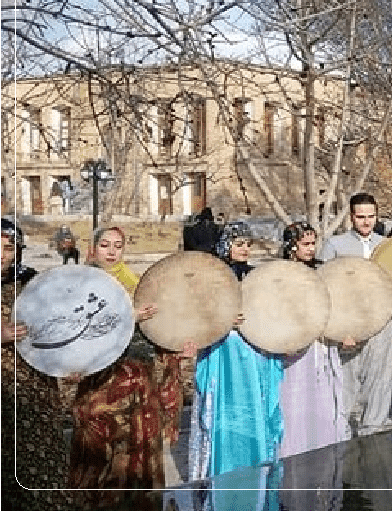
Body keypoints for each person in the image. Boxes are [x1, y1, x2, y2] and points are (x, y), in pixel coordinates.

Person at [71, 226, 191, 504]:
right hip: (102, 387)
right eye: (105, 245)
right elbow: (75, 333)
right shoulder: (78, 284)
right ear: (93, 248)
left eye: (118, 245)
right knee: (101, 465)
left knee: (140, 466)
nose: (112, 251)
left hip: (141, 388)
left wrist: (175, 350)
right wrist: (126, 317)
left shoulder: (136, 283)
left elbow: (154, 333)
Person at [188, 221, 284, 479]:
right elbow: (197, 315)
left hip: (254, 352)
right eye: (239, 244)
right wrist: (222, 321)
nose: (245, 249)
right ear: (225, 245)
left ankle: (256, 469)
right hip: (223, 352)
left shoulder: (255, 276)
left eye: (248, 244)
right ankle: (224, 470)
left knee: (256, 406)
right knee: (224, 409)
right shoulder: (213, 279)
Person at [2, 218, 72, 510]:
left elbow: (61, 323)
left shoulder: (32, 281)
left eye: (8, 247)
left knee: (41, 467)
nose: (1, 254)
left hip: (35, 388)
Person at [317, 192, 392, 436]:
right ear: (351, 217)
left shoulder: (387, 246)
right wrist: (338, 328)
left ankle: (373, 429)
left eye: (371, 217)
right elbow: (322, 286)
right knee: (346, 378)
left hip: (383, 321)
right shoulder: (335, 245)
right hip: (347, 324)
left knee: (381, 377)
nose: (366, 222)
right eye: (360, 217)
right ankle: (341, 431)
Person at [277, 222, 350, 457]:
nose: (310, 249)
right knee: (295, 403)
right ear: (292, 246)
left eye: (313, 243)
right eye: (304, 244)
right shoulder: (280, 274)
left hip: (323, 345)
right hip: (295, 347)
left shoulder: (323, 270)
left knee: (325, 402)